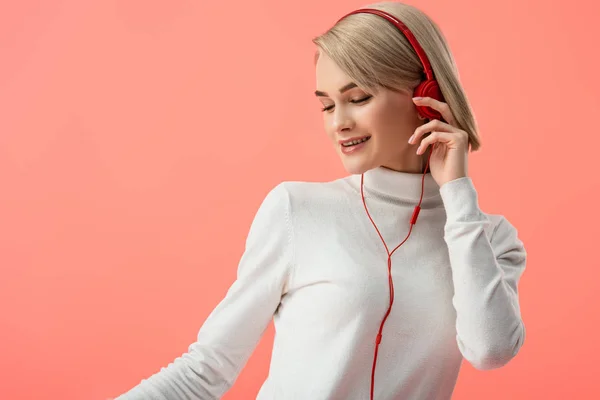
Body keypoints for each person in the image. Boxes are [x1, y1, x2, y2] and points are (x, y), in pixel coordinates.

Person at [112, 1, 527, 399]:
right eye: (326, 105)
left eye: (358, 98)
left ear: (426, 94)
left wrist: (457, 193)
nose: (338, 124)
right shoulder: (297, 210)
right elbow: (205, 371)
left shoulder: (487, 240)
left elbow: (489, 350)